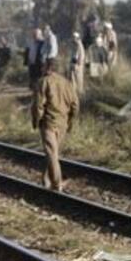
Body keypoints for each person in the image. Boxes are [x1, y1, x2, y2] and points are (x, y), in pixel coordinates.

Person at [32, 58, 79, 191]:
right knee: (53, 153)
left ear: (48, 68)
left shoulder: (44, 82)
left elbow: (38, 105)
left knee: (51, 154)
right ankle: (46, 180)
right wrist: (70, 121)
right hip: (63, 123)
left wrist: (36, 120)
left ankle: (57, 184)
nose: (41, 69)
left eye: (43, 66)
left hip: (49, 123)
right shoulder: (67, 83)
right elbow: (75, 105)